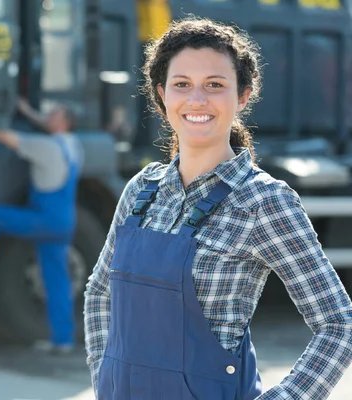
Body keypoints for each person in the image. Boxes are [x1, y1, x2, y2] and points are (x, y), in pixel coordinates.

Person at [84, 16, 352, 399]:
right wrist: (104, 376)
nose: (197, 99)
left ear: (242, 96)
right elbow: (99, 290)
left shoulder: (262, 201)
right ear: (162, 94)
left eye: (215, 85)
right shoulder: (141, 191)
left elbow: (339, 324)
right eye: (182, 85)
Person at [0, 98, 84, 354]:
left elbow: (8, 138)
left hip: (43, 219)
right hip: (64, 221)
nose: (48, 116)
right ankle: (63, 340)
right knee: (57, 281)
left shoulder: (44, 147)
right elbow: (45, 125)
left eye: (53, 114)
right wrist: (27, 111)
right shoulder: (74, 146)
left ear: (63, 122)